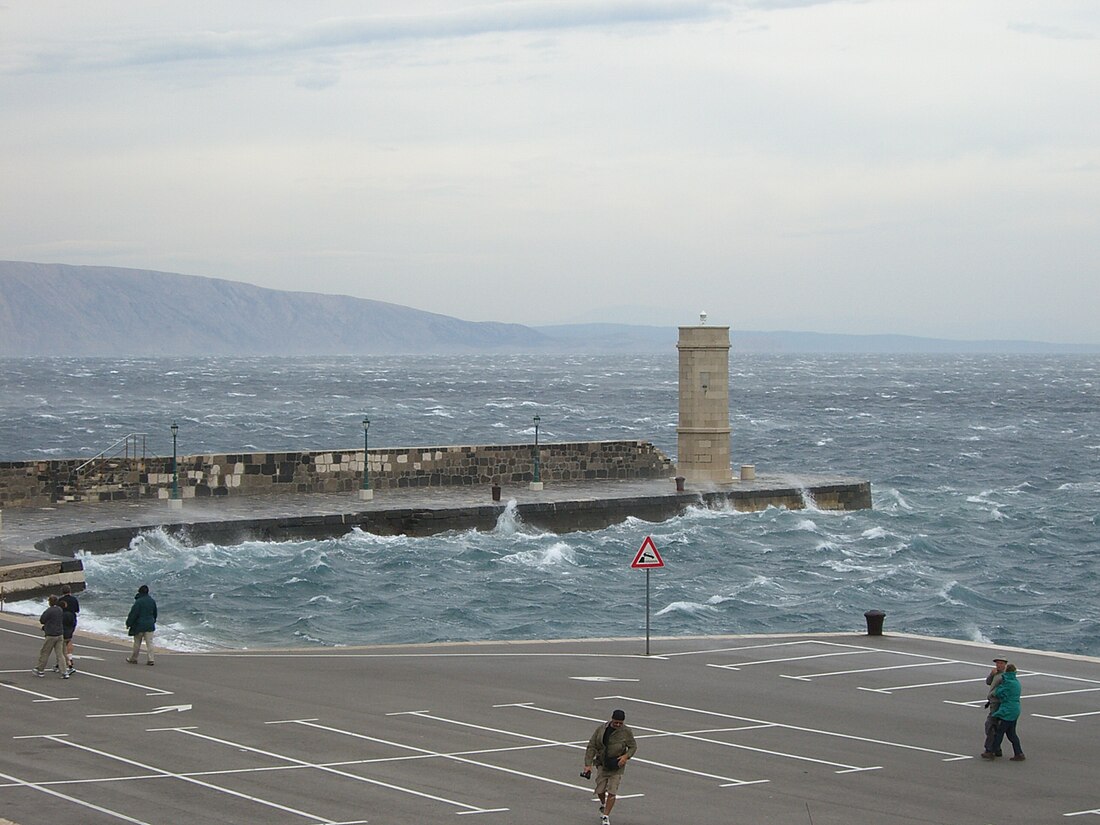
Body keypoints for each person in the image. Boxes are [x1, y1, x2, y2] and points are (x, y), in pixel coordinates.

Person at [583, 709, 638, 825]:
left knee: (612, 792)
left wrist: (626, 757)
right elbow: (592, 745)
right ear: (611, 719)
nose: (618, 725)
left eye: (620, 723)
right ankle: (603, 804)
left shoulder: (626, 732)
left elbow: (633, 747)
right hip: (602, 764)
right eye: (616, 722)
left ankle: (605, 816)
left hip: (617, 765)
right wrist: (588, 765)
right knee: (600, 789)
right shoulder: (601, 729)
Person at [983, 663, 1025, 761]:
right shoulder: (1016, 682)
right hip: (1015, 710)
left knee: (999, 732)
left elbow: (998, 692)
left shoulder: (1008, 682)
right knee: (1011, 734)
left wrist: (997, 711)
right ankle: (1019, 753)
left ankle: (992, 751)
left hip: (1007, 711)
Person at [34, 595, 69, 678]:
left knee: (45, 652)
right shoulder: (60, 610)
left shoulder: (49, 610)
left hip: (51, 634)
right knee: (60, 654)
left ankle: (40, 670)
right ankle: (64, 672)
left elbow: (42, 620)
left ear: (50, 602)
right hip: (60, 634)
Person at [125, 584, 158, 665]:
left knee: (137, 643)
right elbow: (155, 613)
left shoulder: (138, 602)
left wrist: (128, 623)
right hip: (150, 625)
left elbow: (133, 614)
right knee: (149, 643)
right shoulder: (152, 601)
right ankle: (151, 659)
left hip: (139, 625)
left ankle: (134, 658)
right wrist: (153, 621)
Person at [983, 657, 1007, 757]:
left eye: (1001, 663)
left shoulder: (1005, 676)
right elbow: (988, 682)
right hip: (993, 703)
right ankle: (996, 748)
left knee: (990, 725)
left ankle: (989, 749)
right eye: (997, 663)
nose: (998, 665)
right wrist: (991, 674)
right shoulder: (996, 674)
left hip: (997, 703)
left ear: (1005, 664)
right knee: (995, 727)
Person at [57, 584, 80, 675]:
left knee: (61, 641)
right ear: (70, 591)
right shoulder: (74, 599)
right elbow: (77, 610)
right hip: (72, 620)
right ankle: (69, 657)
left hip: (63, 620)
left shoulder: (60, 600)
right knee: (69, 639)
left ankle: (65, 661)